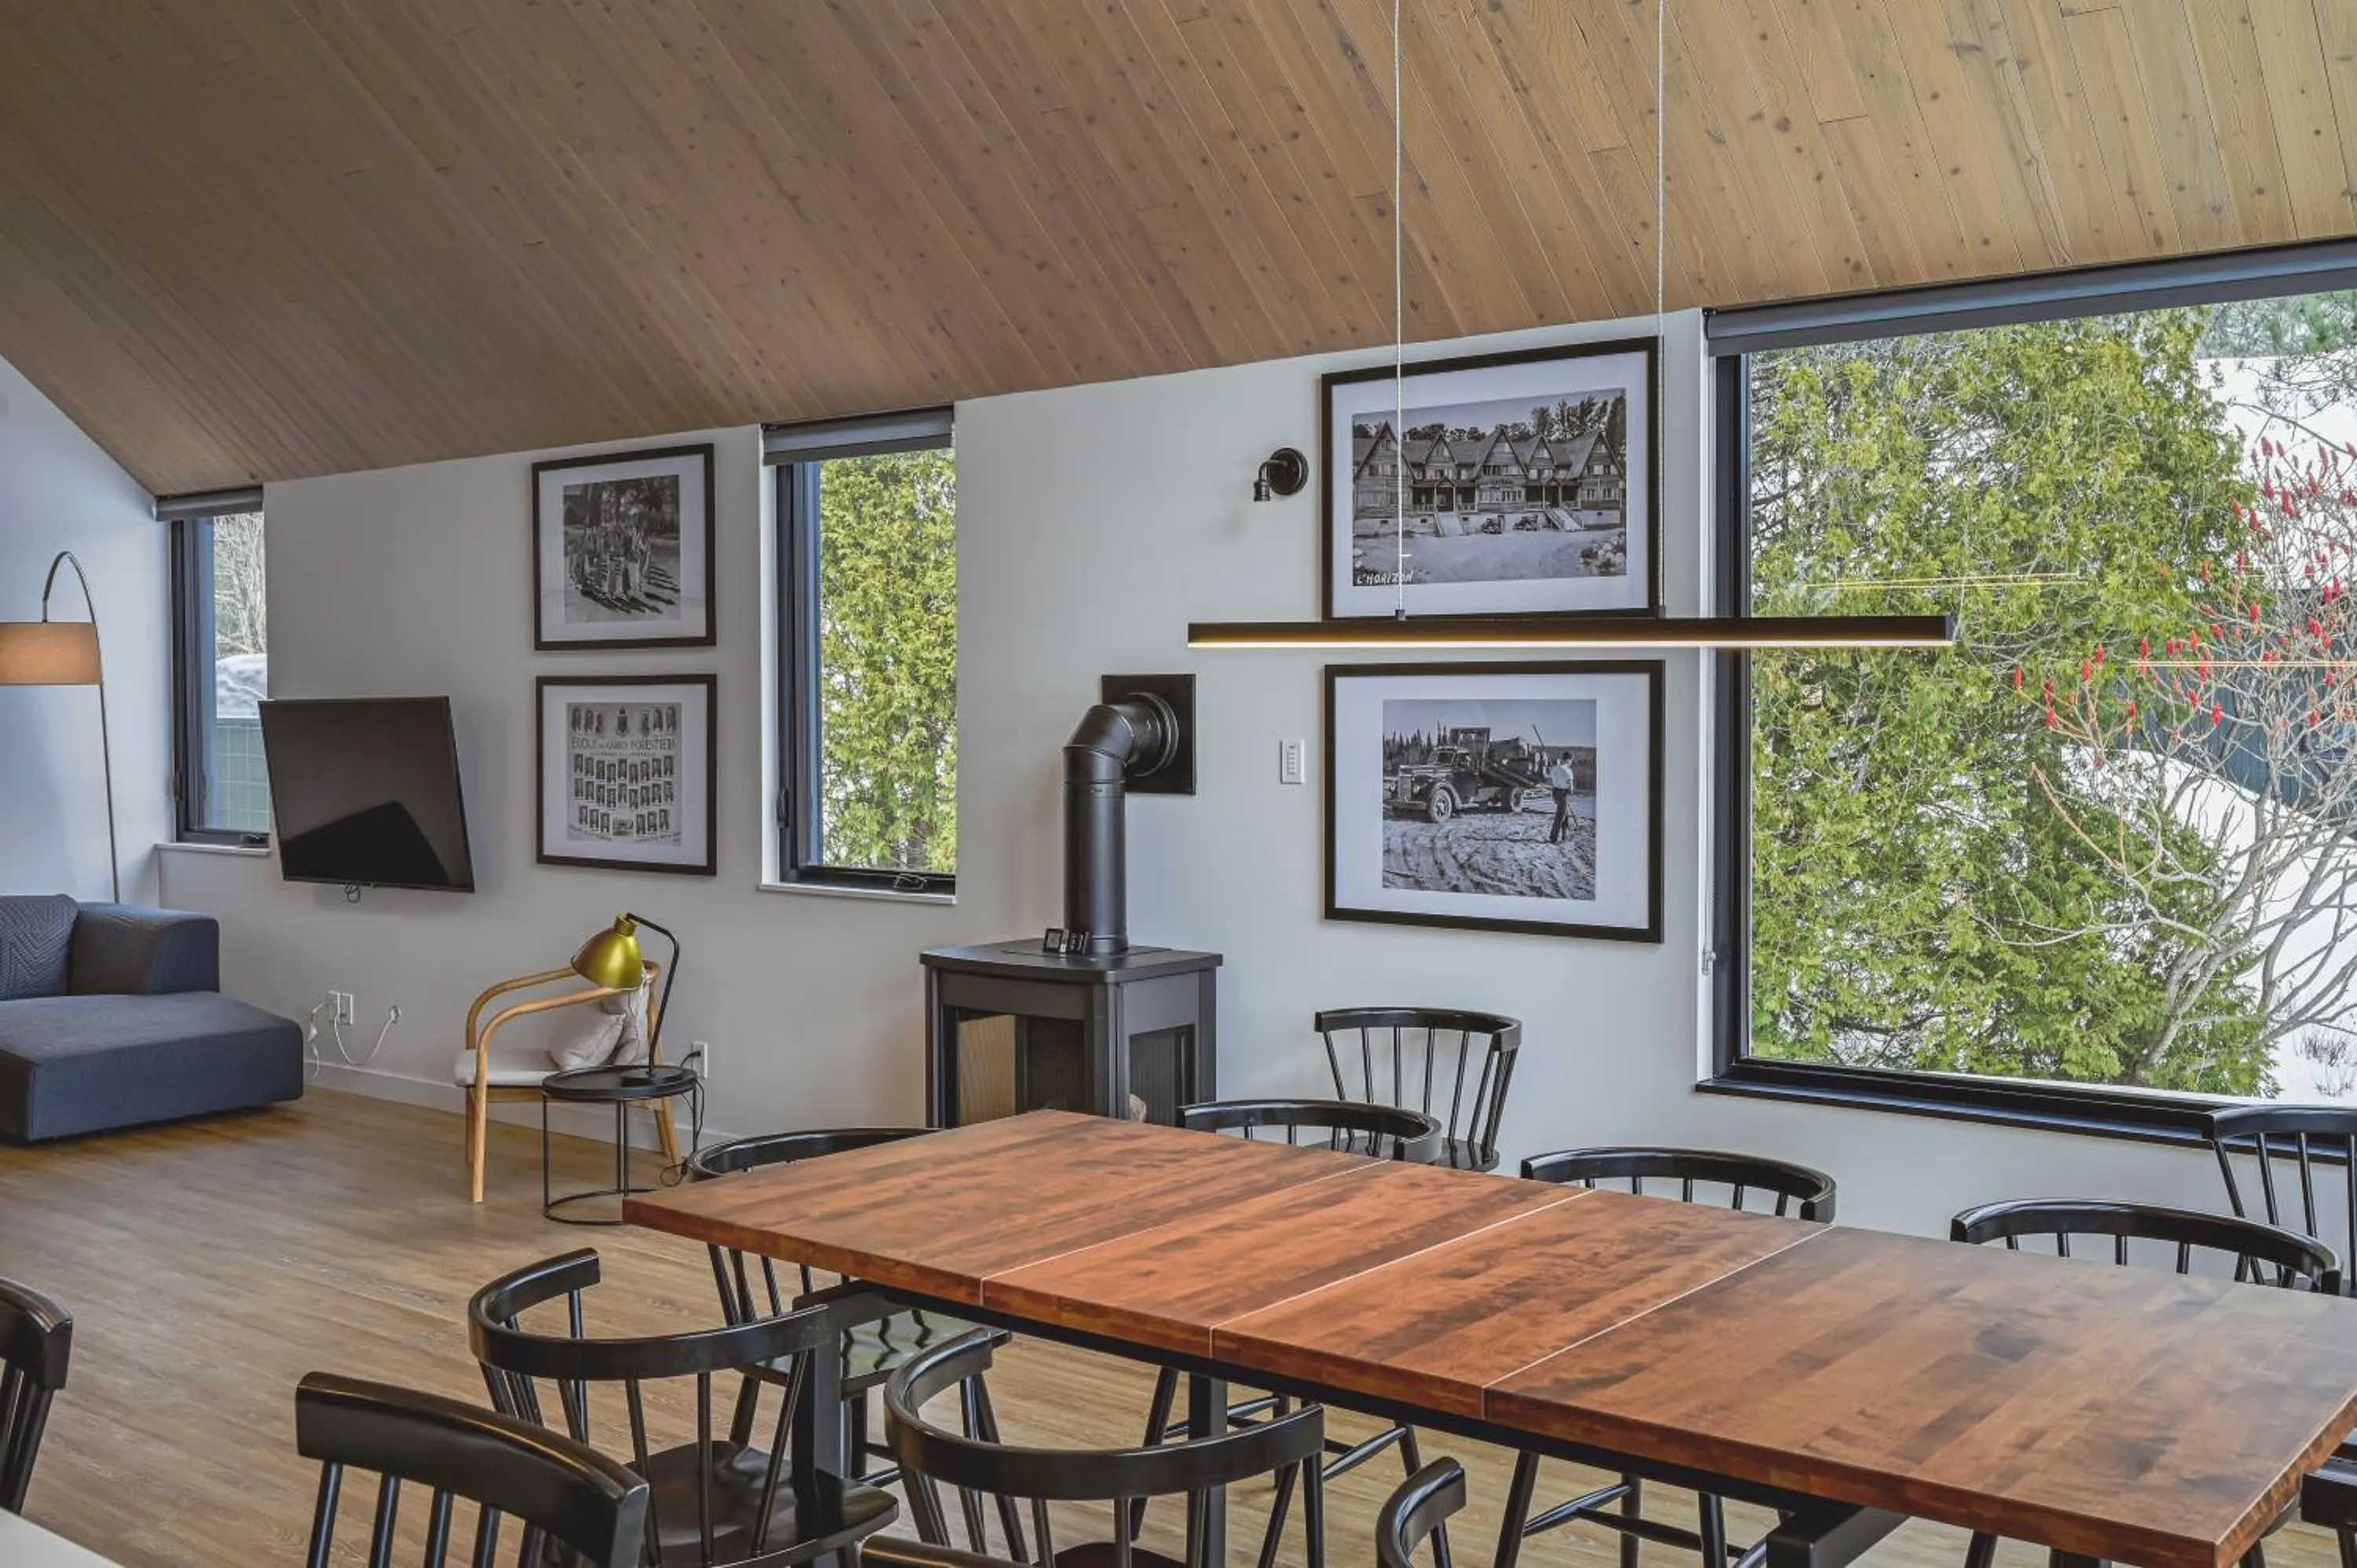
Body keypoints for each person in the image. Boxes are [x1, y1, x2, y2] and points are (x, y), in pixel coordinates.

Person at [1547, 754, 1575, 844]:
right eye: (1571, 761)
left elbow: (1550, 781)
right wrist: (1568, 789)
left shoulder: (1555, 768)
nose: (1571, 763)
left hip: (1555, 793)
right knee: (1560, 816)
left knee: (1565, 813)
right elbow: (1571, 789)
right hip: (1563, 794)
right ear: (1569, 760)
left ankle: (1564, 836)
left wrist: (1557, 781)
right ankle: (1553, 838)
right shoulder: (1569, 771)